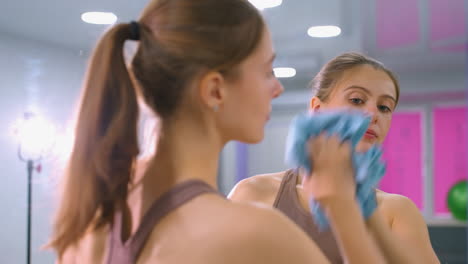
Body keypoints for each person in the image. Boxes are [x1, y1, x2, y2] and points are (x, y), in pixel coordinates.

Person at [47, 1, 386, 263]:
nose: (278, 88)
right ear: (215, 91)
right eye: (267, 71)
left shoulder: (94, 212)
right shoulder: (254, 233)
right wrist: (345, 211)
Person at [229, 52, 440, 264]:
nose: (373, 114)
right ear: (317, 109)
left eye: (384, 107)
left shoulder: (397, 212)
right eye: (357, 100)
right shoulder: (252, 193)